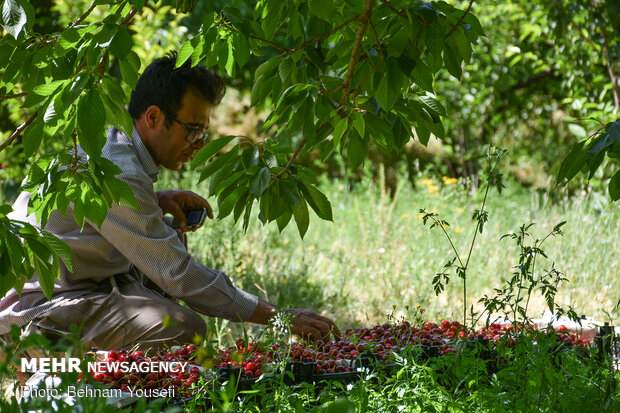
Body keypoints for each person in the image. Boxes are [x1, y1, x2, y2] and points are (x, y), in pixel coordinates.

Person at [0, 52, 339, 353]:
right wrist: (278, 316)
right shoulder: (120, 170)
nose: (197, 143)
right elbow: (177, 274)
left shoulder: (116, 148)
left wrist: (157, 200)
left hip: (84, 287)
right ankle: (36, 359)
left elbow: (102, 218)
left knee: (168, 230)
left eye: (203, 134)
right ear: (152, 117)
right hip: (39, 309)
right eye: (192, 130)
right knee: (183, 327)